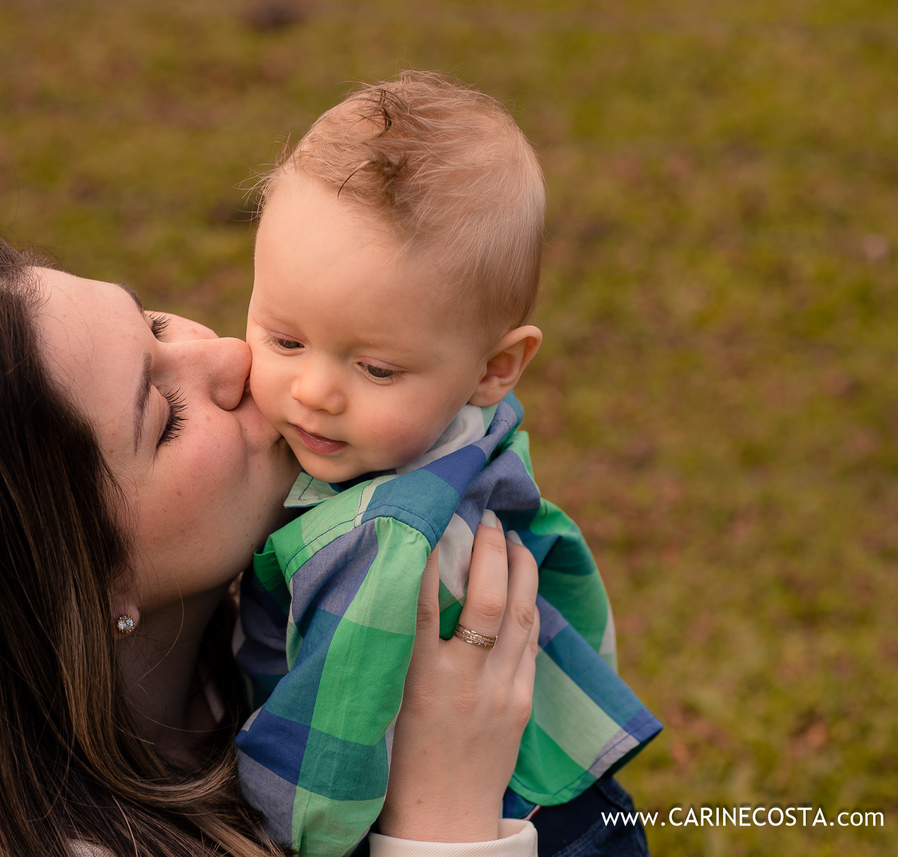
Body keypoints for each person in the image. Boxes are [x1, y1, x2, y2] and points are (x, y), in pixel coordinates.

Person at [0, 237, 546, 857]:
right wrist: (444, 821)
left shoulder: (254, 651)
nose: (237, 358)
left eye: (157, 324)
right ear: (65, 583)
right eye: (164, 415)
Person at [233, 72, 661, 856]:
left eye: (378, 370)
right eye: (284, 339)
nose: (316, 392)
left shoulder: (380, 542)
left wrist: (234, 818)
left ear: (496, 366)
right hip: (564, 785)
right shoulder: (463, 431)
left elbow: (316, 789)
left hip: (509, 818)